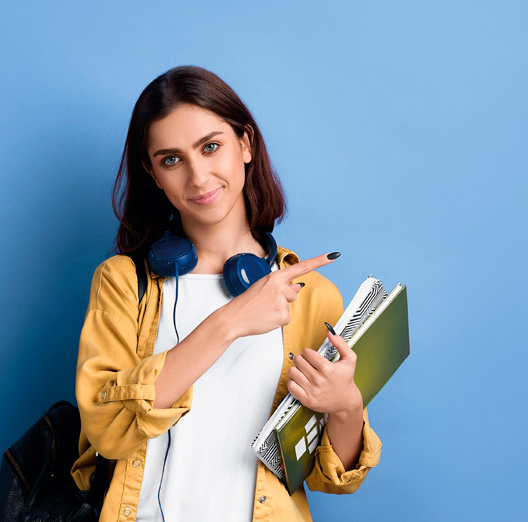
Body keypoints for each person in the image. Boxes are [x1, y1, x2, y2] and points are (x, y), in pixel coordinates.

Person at [71, 65, 381, 522]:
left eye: (211, 147)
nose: (198, 177)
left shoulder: (310, 295)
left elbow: (325, 476)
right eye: (171, 159)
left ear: (246, 145)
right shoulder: (122, 282)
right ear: (153, 174)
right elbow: (108, 433)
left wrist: (346, 405)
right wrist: (230, 321)